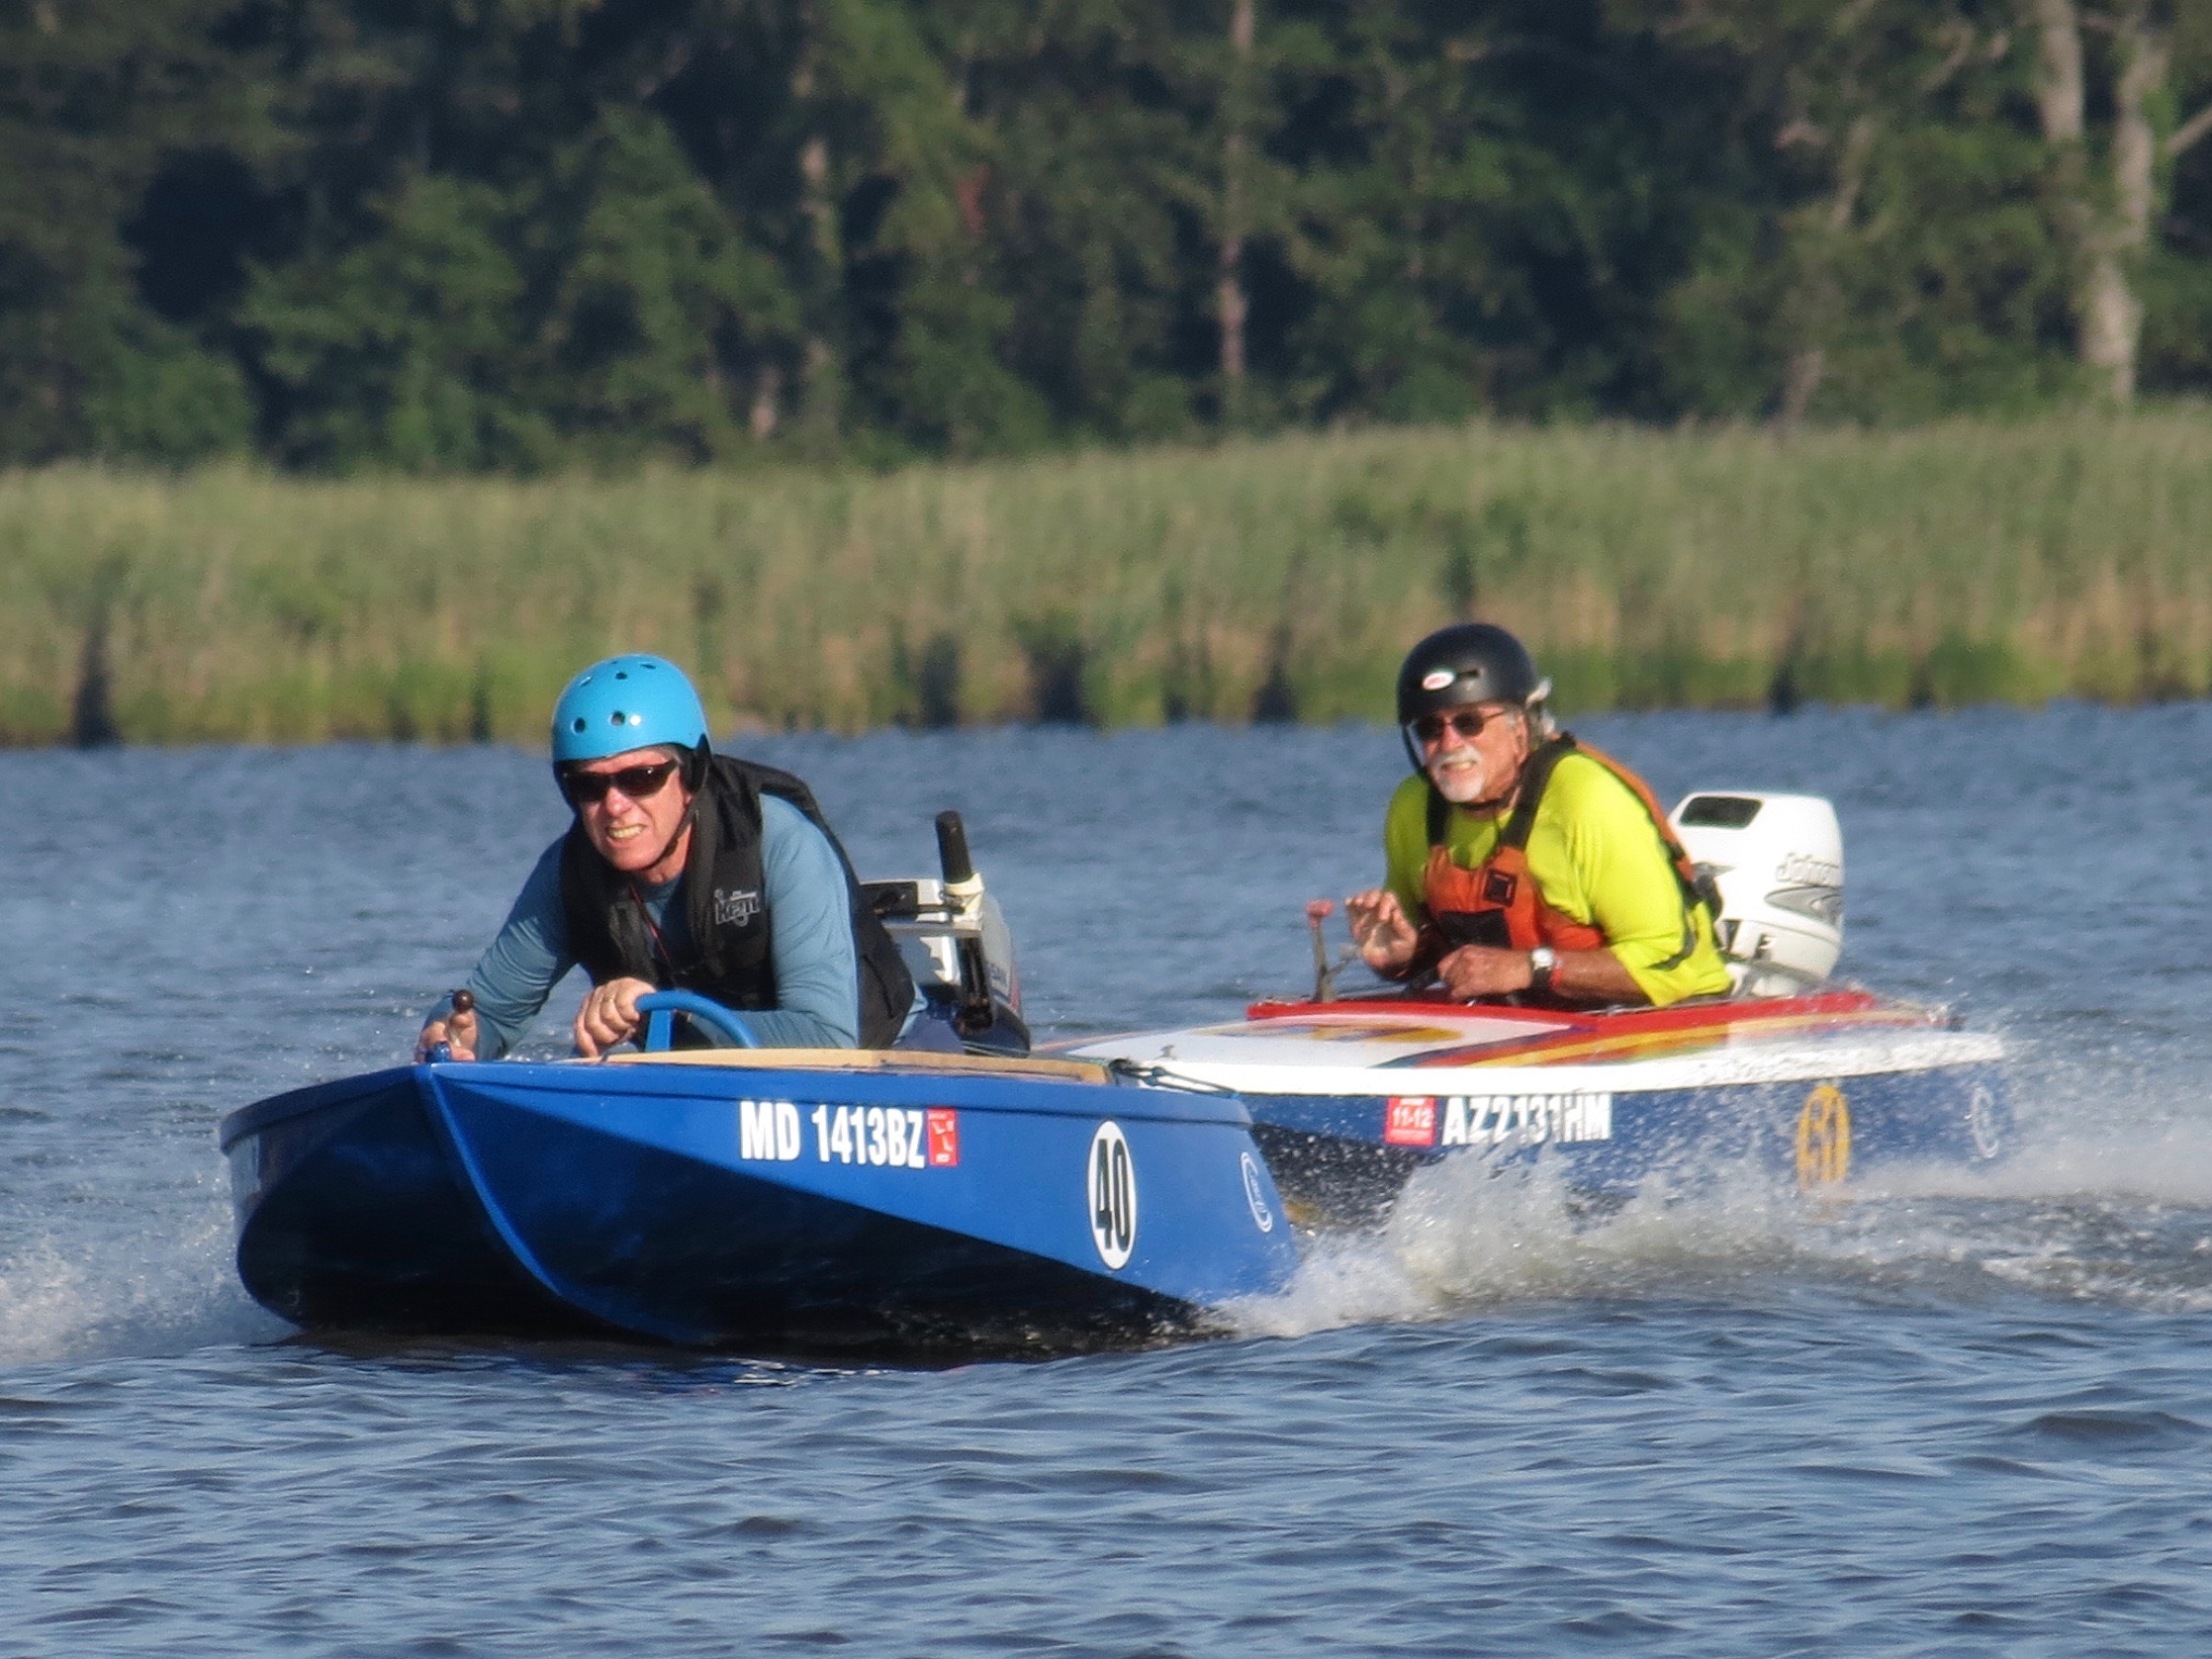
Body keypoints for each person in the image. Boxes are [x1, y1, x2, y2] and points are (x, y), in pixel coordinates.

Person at [415, 654, 919, 1060]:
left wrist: (660, 1014)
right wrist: (452, 1037)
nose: (614, 805)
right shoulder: (567, 873)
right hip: (701, 1088)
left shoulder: (780, 842)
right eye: (589, 785)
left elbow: (827, 1039)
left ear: (692, 775)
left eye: (641, 779)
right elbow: (493, 1014)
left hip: (887, 1059)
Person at [1344, 623, 1732, 1008]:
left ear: (1520, 727)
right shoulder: (1413, 807)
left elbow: (1670, 964)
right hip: (1523, 1026)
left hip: (1675, 1012)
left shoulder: (1587, 801)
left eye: (1470, 723)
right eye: (1429, 728)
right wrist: (1400, 957)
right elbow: (1436, 950)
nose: (1449, 744)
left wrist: (1532, 968)